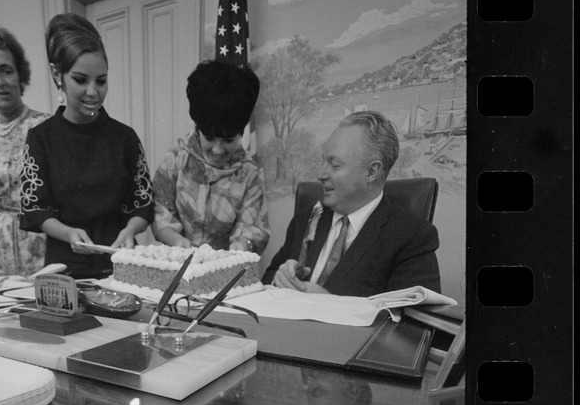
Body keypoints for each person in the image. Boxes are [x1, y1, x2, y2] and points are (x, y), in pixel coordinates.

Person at [20, 13, 153, 279]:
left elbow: (143, 204)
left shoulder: (125, 138)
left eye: (101, 81)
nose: (93, 92)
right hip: (64, 271)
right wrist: (68, 233)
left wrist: (129, 232)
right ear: (58, 75)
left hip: (121, 267)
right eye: (81, 80)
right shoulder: (40, 139)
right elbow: (36, 209)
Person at [262, 110, 441, 296]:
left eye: (335, 165)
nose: (321, 175)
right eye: (323, 162)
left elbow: (415, 319)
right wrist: (279, 279)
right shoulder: (305, 219)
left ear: (372, 172)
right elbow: (267, 280)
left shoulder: (412, 236)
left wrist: (330, 305)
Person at [152, 60, 269, 254]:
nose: (217, 150)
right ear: (198, 128)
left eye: (229, 140)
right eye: (209, 138)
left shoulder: (250, 174)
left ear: (241, 133)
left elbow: (253, 228)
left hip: (227, 271)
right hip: (179, 265)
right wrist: (177, 241)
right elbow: (161, 215)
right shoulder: (174, 162)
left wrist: (242, 246)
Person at [0, 23, 50, 277]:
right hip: (0, 241)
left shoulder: (45, 126)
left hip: (41, 237)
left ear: (20, 75)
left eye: (6, 70)